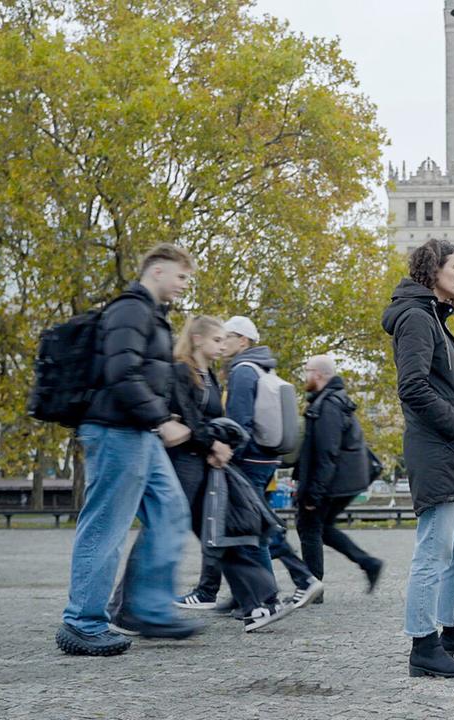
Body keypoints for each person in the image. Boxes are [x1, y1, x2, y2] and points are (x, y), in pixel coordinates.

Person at [56, 243, 197, 657]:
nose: (184, 286)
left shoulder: (152, 316)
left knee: (171, 510)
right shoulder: (131, 309)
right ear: (156, 271)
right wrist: (162, 418)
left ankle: (144, 610)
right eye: (181, 276)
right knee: (106, 525)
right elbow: (121, 371)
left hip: (139, 431)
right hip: (116, 429)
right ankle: (81, 622)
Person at [109, 316, 290, 633]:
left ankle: (259, 604)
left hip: (203, 464)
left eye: (224, 340)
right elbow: (187, 421)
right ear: (196, 339)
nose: (223, 346)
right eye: (217, 340)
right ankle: (123, 610)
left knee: (221, 534)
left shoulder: (210, 376)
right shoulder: (180, 371)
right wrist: (214, 444)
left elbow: (203, 423)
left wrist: (218, 445)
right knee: (162, 534)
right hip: (180, 466)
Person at [381, 239, 454, 679]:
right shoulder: (418, 319)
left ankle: (451, 630)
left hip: (453, 454)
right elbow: (413, 388)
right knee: (433, 552)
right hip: (438, 450)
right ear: (433, 272)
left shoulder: (435, 320)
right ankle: (423, 646)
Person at [179, 316, 318, 610]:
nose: (222, 343)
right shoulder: (262, 366)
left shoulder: (242, 371)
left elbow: (238, 421)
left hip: (247, 458)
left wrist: (224, 451)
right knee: (250, 523)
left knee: (254, 525)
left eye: (226, 337)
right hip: (265, 457)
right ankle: (246, 596)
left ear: (242, 340)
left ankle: (290, 584)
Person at [295, 355, 384, 598]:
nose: (305, 376)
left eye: (308, 371)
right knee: (320, 527)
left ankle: (311, 588)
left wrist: (313, 492)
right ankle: (368, 563)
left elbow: (327, 453)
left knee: (309, 526)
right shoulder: (330, 401)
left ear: (319, 375)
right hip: (342, 480)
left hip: (332, 481)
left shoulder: (328, 405)